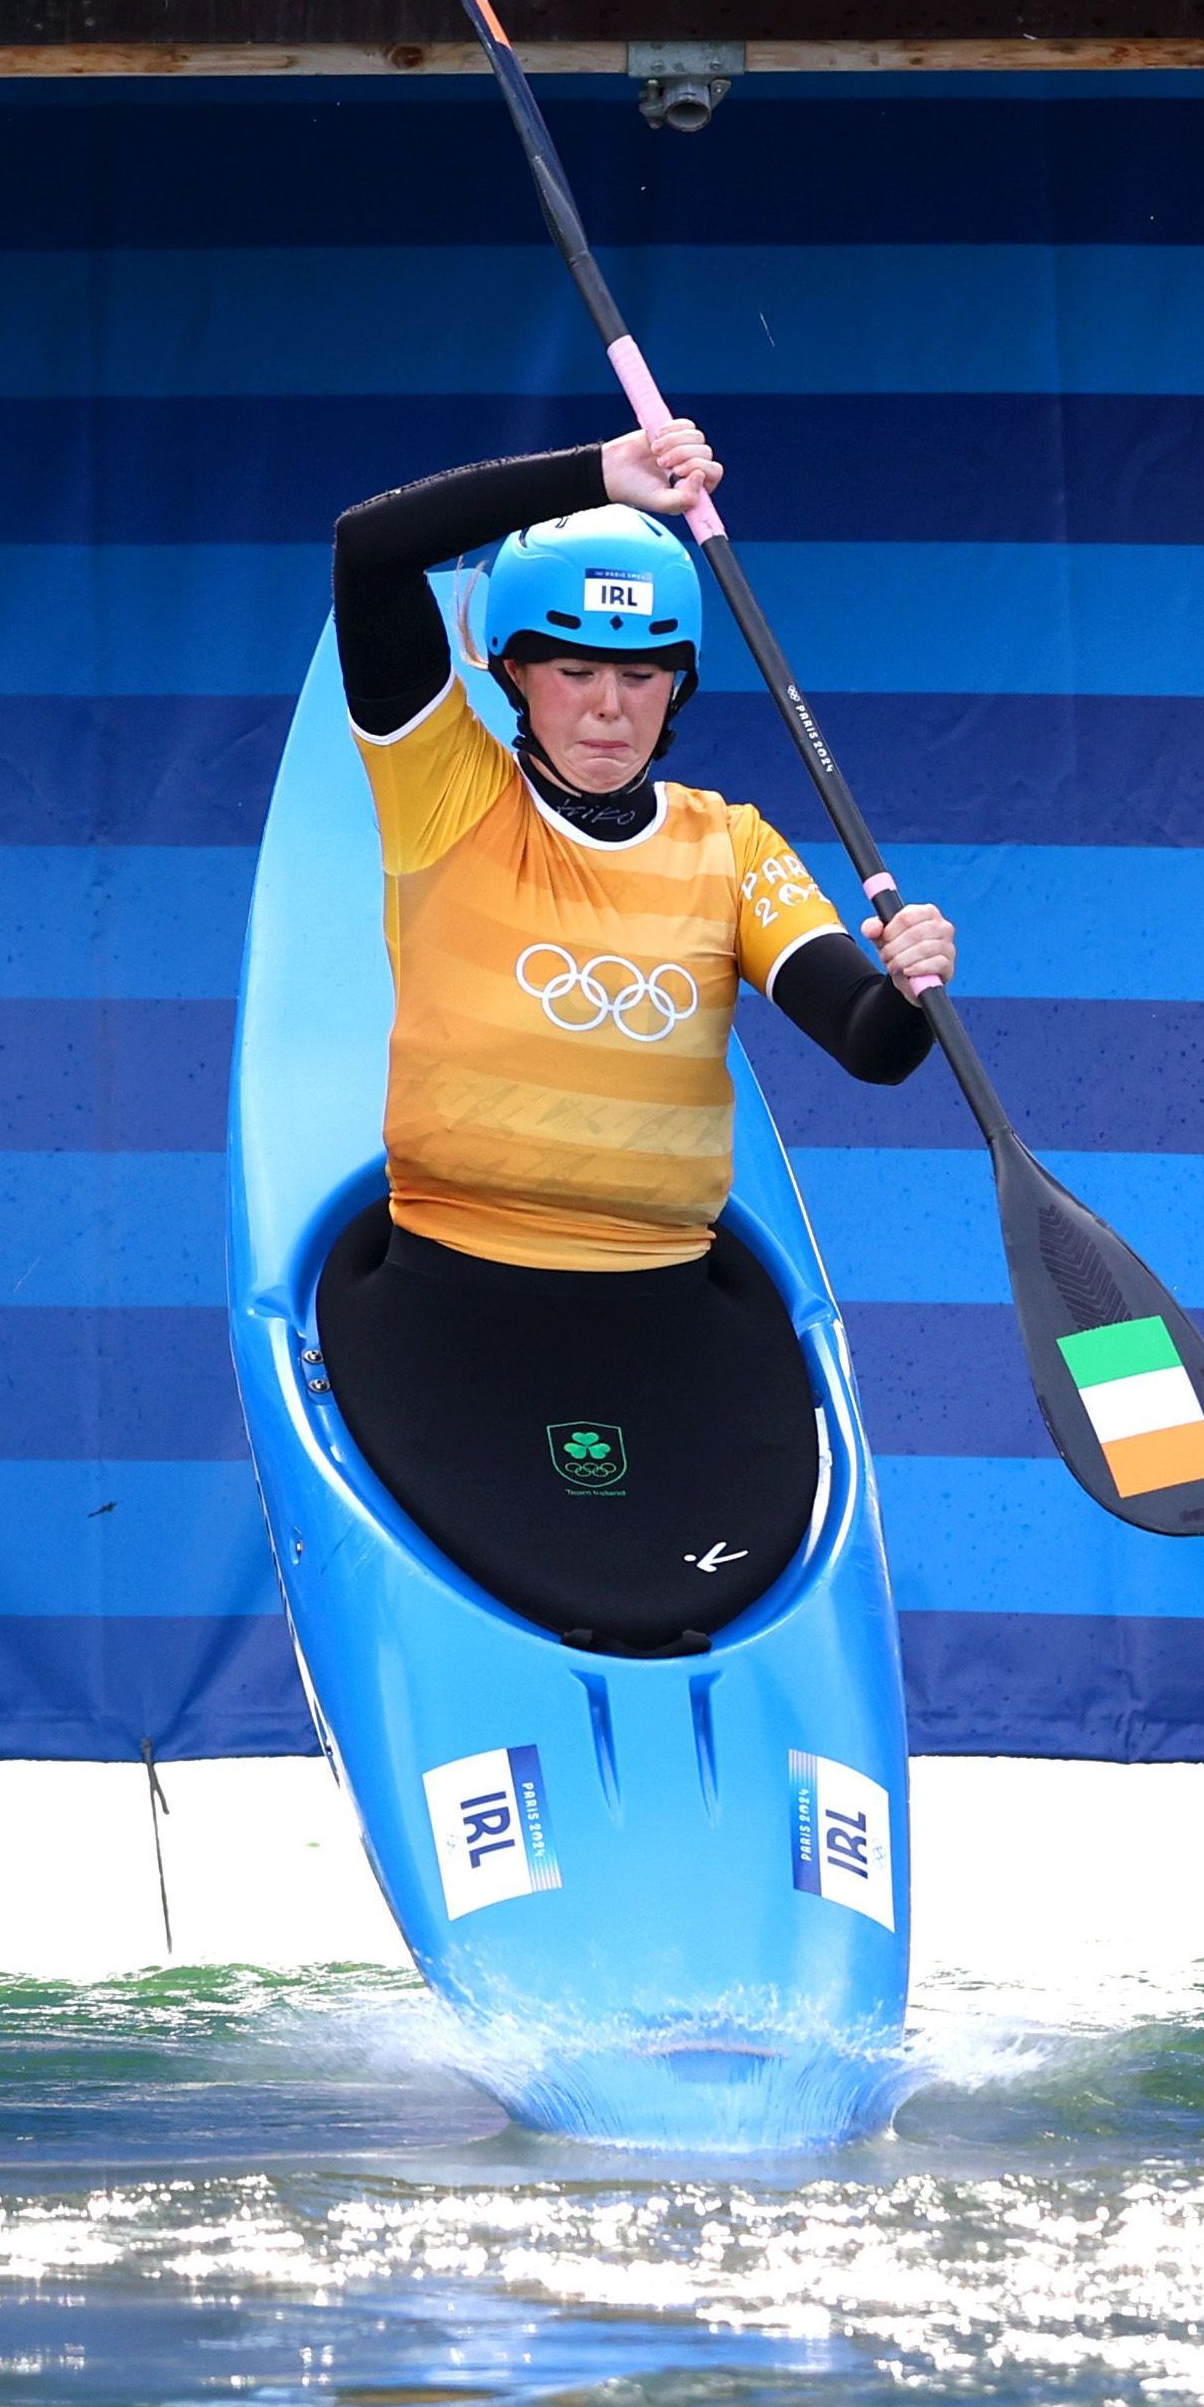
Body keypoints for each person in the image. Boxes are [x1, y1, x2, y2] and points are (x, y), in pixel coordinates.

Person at [324, 418, 952, 1652]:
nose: (606, 705)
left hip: (661, 1308)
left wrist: (910, 986)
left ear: (677, 687)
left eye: (641, 670)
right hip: (454, 1289)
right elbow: (367, 551)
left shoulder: (730, 844)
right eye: (571, 668)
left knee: (679, 1617)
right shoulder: (444, 788)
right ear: (509, 673)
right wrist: (600, 479)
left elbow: (865, 1038)